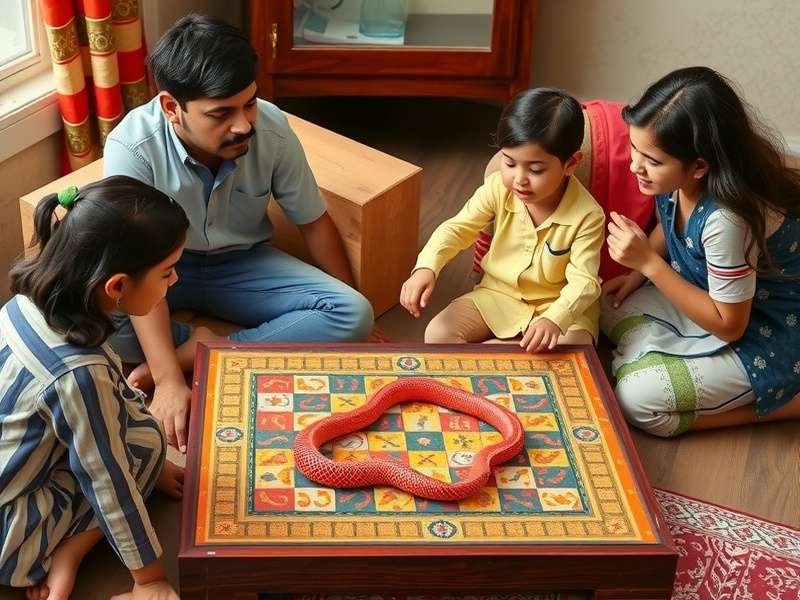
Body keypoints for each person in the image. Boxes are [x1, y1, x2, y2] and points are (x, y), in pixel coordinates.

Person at [103, 14, 374, 453]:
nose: (244, 124)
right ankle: (190, 353)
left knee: (353, 313)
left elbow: (312, 220)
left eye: (249, 103)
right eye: (221, 113)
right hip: (158, 271)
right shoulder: (132, 149)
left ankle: (205, 350)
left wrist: (352, 323)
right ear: (172, 108)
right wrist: (169, 382)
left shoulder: (272, 130)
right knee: (98, 322)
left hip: (243, 263)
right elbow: (134, 268)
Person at [0, 177, 187, 600]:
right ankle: (70, 551)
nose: (175, 279)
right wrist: (149, 580)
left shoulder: (26, 302)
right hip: (11, 538)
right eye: (167, 272)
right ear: (116, 286)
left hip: (17, 475)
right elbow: (108, 482)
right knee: (144, 444)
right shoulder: (78, 374)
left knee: (130, 424)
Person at [600, 66, 800, 437]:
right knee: (602, 304)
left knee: (636, 400)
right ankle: (664, 358)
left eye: (652, 161)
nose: (635, 166)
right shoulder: (677, 179)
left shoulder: (727, 219)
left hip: (767, 329)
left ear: (699, 166)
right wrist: (636, 274)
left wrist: (649, 263)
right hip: (711, 295)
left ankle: (786, 403)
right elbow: (669, 221)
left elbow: (731, 325)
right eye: (634, 149)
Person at [400, 88, 605, 353]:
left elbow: (584, 281)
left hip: (558, 308)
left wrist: (555, 319)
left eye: (536, 170)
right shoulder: (498, 188)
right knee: (438, 333)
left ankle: (498, 353)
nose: (519, 179)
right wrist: (427, 267)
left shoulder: (588, 215)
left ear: (571, 163)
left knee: (576, 345)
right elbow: (457, 229)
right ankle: (510, 354)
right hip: (497, 295)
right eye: (509, 163)